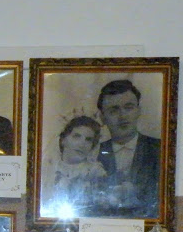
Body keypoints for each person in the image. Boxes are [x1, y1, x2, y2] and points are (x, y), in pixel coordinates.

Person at [96, 79, 160, 217]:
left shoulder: (160, 150)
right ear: (103, 118)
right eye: (114, 110)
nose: (123, 116)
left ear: (138, 111)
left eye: (129, 107)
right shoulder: (93, 153)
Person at [42, 116, 107, 215]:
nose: (82, 144)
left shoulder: (96, 172)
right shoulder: (47, 168)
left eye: (88, 140)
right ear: (63, 140)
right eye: (76, 136)